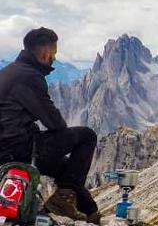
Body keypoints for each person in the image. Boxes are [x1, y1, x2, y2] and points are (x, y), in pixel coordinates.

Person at [0, 27, 100, 224]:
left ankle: (91, 213)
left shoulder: (9, 71)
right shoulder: (29, 76)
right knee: (87, 136)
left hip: (8, 147)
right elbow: (55, 122)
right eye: (53, 53)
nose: (54, 58)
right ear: (45, 52)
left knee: (67, 171)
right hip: (19, 148)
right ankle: (64, 201)